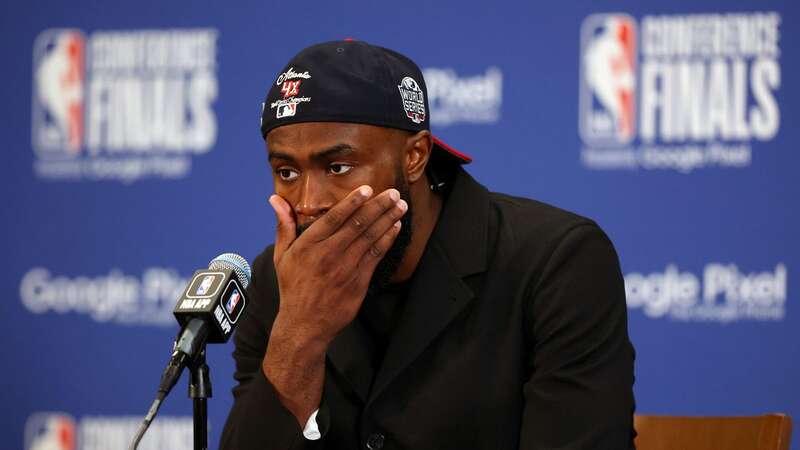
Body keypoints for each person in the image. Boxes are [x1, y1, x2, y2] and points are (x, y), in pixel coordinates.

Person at [220, 40, 636, 450]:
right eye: (287, 172)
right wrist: (299, 333)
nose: (309, 203)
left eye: (338, 167)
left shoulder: (555, 263)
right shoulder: (279, 282)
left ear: (415, 156)